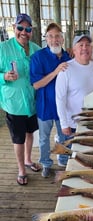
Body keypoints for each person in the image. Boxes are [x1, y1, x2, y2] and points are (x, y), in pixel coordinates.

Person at [0, 13, 41, 186]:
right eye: (20, 28)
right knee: (18, 138)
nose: (24, 32)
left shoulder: (36, 49)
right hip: (14, 103)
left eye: (28, 29)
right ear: (14, 28)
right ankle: (21, 169)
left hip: (32, 102)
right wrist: (3, 77)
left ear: (31, 31)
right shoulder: (3, 48)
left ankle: (28, 160)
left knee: (30, 133)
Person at [30, 22, 71, 178]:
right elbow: (36, 84)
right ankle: (46, 163)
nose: (54, 40)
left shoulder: (68, 56)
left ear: (62, 38)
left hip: (64, 107)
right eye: (51, 36)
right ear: (45, 39)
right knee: (43, 138)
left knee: (64, 137)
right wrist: (55, 72)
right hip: (45, 106)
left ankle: (63, 160)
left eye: (58, 36)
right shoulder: (38, 57)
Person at [55, 33, 93, 157]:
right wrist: (64, 124)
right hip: (73, 124)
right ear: (74, 49)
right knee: (71, 155)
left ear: (92, 48)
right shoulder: (66, 69)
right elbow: (60, 99)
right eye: (81, 45)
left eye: (88, 45)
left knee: (89, 154)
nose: (84, 48)